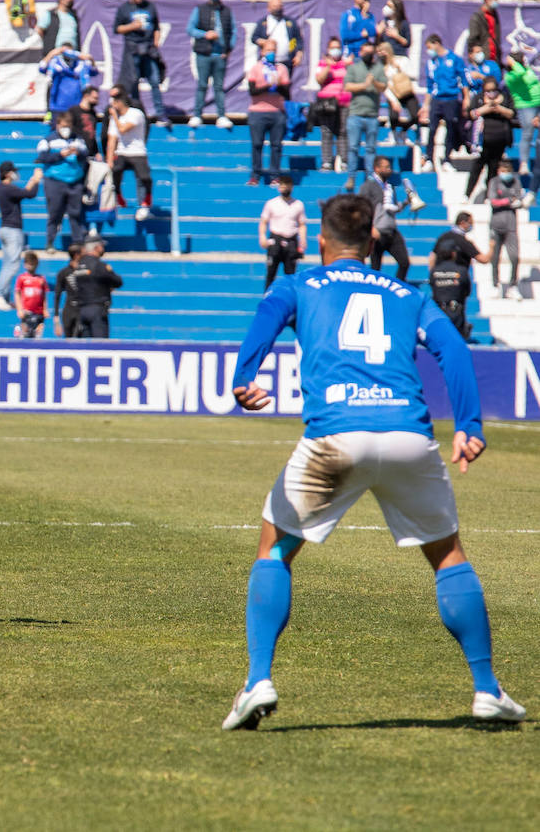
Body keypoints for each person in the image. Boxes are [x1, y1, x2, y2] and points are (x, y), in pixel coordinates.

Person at [223, 193, 525, 731]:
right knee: (448, 556)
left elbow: (264, 323)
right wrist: (470, 426)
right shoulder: (407, 294)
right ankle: (486, 690)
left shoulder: (297, 284)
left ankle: (258, 679)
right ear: (374, 243)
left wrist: (245, 377)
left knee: (274, 549)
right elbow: (453, 350)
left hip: (335, 440)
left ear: (320, 239)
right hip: (408, 437)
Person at [0, 161, 44, 311]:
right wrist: (36, 180)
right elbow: (29, 193)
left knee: (7, 264)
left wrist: (33, 181)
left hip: (6, 229)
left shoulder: (2, 189)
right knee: (13, 264)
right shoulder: (7, 188)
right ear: (7, 173)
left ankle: (3, 297)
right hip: (12, 231)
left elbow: (24, 192)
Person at [113, 0, 167, 125]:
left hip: (148, 50)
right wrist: (132, 26)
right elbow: (117, 29)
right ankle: (139, 112)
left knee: (155, 81)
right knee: (133, 82)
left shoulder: (150, 7)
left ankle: (160, 114)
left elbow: (156, 26)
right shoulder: (125, 8)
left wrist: (156, 42)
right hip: (132, 49)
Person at [186, 0, 234, 128]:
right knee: (202, 85)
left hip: (220, 55)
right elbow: (190, 29)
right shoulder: (200, 9)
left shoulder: (226, 11)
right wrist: (205, 35)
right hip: (204, 54)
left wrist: (228, 49)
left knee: (219, 87)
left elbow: (233, 32)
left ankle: (221, 115)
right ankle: (197, 114)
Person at [35, 120, 88, 250]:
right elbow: (42, 158)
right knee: (55, 213)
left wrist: (78, 153)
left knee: (75, 213)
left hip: (74, 182)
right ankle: (50, 242)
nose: (66, 129)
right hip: (54, 182)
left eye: (68, 126)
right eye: (63, 126)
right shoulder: (47, 141)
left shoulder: (77, 140)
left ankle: (78, 242)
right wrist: (60, 154)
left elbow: (85, 155)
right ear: (57, 126)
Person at [343, 41, 387, 192]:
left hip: (372, 115)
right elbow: (347, 86)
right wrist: (364, 85)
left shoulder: (378, 68)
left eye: (371, 52)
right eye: (366, 52)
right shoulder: (354, 68)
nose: (369, 55)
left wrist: (373, 81)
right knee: (353, 147)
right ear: (361, 53)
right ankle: (351, 177)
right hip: (355, 114)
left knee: (370, 149)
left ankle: (370, 178)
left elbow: (384, 86)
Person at [421, 34, 468, 172]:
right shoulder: (431, 63)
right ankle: (429, 158)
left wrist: (466, 98)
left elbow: (463, 79)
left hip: (451, 99)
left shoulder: (454, 59)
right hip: (436, 99)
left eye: (430, 47)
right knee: (432, 129)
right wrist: (425, 105)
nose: (429, 51)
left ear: (436, 43)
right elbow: (430, 86)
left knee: (451, 128)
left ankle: (447, 159)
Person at [246, 39, 290, 186]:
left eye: (274, 50)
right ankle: (255, 175)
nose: (271, 53)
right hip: (257, 112)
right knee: (257, 144)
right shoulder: (255, 68)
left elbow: (287, 93)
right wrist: (267, 85)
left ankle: (275, 176)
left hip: (277, 112)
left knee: (276, 145)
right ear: (262, 52)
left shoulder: (281, 69)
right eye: (268, 50)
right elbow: (252, 91)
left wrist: (277, 85)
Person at [463, 78, 514, 200]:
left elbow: (512, 113)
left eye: (493, 90)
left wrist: (499, 108)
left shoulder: (505, 97)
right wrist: (485, 108)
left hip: (499, 139)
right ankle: (467, 194)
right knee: (477, 168)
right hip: (482, 141)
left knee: (493, 169)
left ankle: (488, 195)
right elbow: (471, 114)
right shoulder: (479, 98)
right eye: (488, 90)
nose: (491, 93)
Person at [107, 93, 154, 222]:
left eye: (114, 102)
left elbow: (122, 129)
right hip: (122, 152)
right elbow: (112, 139)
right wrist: (109, 160)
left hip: (137, 151)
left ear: (120, 102)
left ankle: (145, 202)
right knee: (115, 171)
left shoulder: (136, 114)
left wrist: (115, 117)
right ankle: (118, 196)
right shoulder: (114, 118)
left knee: (144, 176)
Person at [360, 156, 408, 280]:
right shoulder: (368, 186)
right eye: (386, 167)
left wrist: (405, 203)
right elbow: (362, 208)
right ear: (377, 168)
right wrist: (369, 228)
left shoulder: (389, 187)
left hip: (391, 230)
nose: (389, 170)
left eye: (389, 167)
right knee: (376, 267)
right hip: (377, 231)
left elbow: (393, 207)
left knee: (404, 262)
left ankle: (398, 286)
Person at [259, 175, 307, 289]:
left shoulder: (298, 204)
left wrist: (303, 240)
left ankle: (291, 302)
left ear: (292, 187)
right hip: (275, 239)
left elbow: (302, 224)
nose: (284, 189)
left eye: (287, 186)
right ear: (278, 187)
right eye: (282, 186)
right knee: (271, 273)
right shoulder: (271, 203)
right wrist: (262, 237)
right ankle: (268, 296)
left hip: (291, 240)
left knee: (291, 275)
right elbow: (264, 221)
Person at [70, 234, 123, 337]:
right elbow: (118, 282)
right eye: (102, 246)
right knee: (101, 346)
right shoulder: (99, 266)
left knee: (86, 347)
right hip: (97, 309)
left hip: (82, 310)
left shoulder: (79, 265)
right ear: (97, 247)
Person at [486, 160, 524, 300]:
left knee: (514, 257)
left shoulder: (515, 181)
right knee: (495, 257)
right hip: (495, 225)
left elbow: (519, 199)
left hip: (511, 226)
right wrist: (509, 201)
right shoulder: (494, 182)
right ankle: (495, 285)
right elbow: (493, 201)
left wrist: (517, 202)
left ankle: (513, 286)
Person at [313, 38, 351, 171]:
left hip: (344, 102)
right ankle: (327, 162)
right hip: (327, 102)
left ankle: (344, 161)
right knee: (326, 131)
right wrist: (329, 66)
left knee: (343, 131)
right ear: (328, 49)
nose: (335, 50)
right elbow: (319, 79)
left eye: (337, 47)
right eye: (332, 47)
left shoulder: (346, 63)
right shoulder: (323, 63)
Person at [251, 0, 304, 87]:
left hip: (286, 61)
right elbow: (254, 38)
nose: (277, 8)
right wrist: (263, 42)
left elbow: (297, 39)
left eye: (280, 6)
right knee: (267, 86)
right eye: (275, 6)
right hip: (268, 62)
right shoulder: (263, 22)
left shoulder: (290, 22)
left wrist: (298, 54)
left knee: (284, 87)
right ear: (269, 8)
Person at [39, 43, 96, 124]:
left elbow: (94, 71)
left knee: (75, 132)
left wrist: (91, 59)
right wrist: (50, 54)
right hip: (58, 106)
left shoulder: (80, 64)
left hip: (76, 106)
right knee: (58, 132)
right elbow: (41, 68)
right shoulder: (55, 63)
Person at [503, 52, 540, 174]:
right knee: (527, 134)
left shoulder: (527, 69)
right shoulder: (510, 76)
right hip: (526, 107)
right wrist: (513, 62)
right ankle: (523, 163)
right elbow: (520, 73)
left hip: (538, 102)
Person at [378, 42, 418, 147]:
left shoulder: (401, 60)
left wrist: (400, 69)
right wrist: (394, 101)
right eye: (379, 52)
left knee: (416, 115)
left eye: (383, 51)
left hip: (406, 92)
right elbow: (385, 87)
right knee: (394, 116)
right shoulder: (381, 68)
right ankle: (393, 134)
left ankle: (404, 131)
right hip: (393, 94)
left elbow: (414, 75)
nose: (381, 54)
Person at [431, 245, 473, 340]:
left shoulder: (434, 271)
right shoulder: (461, 270)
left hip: (438, 311)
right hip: (456, 311)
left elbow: (432, 287)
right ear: (453, 254)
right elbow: (468, 291)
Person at [13, 251, 49, 337]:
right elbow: (17, 294)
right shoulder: (22, 278)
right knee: (25, 333)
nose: (31, 266)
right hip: (26, 311)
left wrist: (45, 309)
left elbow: (44, 295)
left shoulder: (41, 279)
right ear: (25, 264)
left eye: (33, 264)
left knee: (37, 335)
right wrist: (19, 309)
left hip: (39, 312)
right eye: (29, 264)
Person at [53, 243, 84, 337]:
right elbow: (57, 294)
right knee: (68, 339)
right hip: (69, 310)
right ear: (76, 255)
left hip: (81, 309)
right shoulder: (63, 273)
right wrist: (56, 317)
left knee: (79, 336)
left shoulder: (85, 271)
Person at [466, 0, 502, 65]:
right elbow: (473, 37)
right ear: (486, 0)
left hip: (495, 57)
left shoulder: (495, 15)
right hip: (483, 57)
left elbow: (496, 37)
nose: (496, 2)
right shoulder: (477, 17)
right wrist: (475, 53)